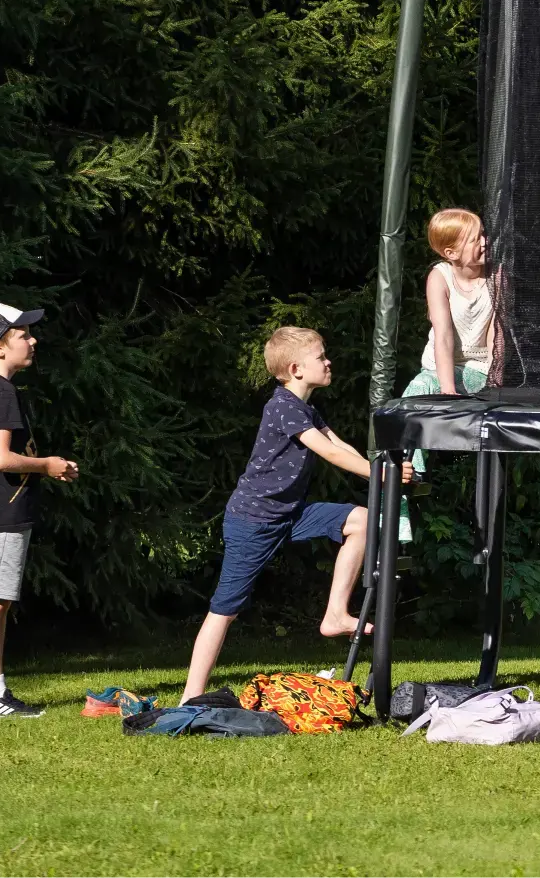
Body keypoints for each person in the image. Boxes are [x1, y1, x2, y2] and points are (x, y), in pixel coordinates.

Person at [180, 326, 411, 705]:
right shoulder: (282, 406)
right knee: (225, 610)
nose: (328, 361)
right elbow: (328, 453)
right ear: (296, 369)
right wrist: (380, 475)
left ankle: (335, 614)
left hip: (291, 513)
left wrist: (380, 467)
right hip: (254, 521)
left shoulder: (305, 408)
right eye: (320, 357)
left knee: (364, 521)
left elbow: (339, 444)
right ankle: (192, 695)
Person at [0, 302, 78, 719]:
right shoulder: (0, 392)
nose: (33, 340)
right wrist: (48, 465)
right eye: (23, 335)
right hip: (1, 510)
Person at [401, 207, 496, 398]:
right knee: (422, 387)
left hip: (481, 368)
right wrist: (448, 390)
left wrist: (495, 382)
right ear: (452, 253)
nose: (485, 242)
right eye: (475, 239)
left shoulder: (497, 277)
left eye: (483, 235)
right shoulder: (440, 277)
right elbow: (442, 335)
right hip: (440, 370)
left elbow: (496, 335)